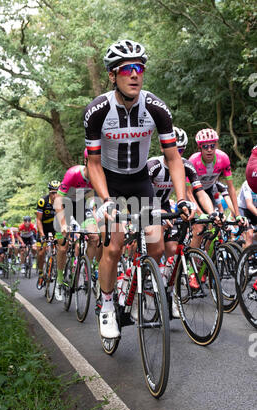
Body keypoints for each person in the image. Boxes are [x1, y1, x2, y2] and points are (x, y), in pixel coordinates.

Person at [84, 39, 191, 339]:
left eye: (140, 68)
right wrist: (105, 200)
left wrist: (182, 200)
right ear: (112, 75)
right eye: (127, 69)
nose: (135, 75)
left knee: (156, 247)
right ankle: (106, 304)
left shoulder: (156, 107)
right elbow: (92, 164)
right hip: (110, 182)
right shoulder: (97, 110)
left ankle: (134, 284)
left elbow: (173, 158)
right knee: (115, 246)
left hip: (141, 182)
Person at [147, 126, 219, 306]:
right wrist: (159, 212)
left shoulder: (186, 165)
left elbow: (200, 192)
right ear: (163, 147)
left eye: (181, 150)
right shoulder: (153, 166)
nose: (177, 153)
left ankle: (171, 294)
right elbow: (144, 194)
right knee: (156, 248)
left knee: (173, 251)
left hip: (165, 206)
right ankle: (146, 280)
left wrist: (213, 213)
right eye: (174, 149)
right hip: (147, 204)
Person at [54, 149, 101, 300]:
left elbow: (96, 201)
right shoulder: (73, 173)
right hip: (66, 206)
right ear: (86, 161)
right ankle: (60, 281)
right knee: (63, 245)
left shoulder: (98, 176)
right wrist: (63, 224)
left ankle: (83, 269)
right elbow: (58, 200)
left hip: (82, 206)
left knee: (94, 237)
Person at [188, 128, 246, 249]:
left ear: (216, 146)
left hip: (208, 192)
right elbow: (187, 192)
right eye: (205, 147)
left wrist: (237, 214)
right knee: (199, 228)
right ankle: (192, 263)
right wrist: (199, 213)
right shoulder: (193, 161)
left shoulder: (223, 158)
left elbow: (230, 188)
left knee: (217, 229)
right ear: (200, 148)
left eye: (212, 146)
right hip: (193, 193)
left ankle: (207, 263)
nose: (209, 149)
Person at [36, 180, 60, 288]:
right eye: (52, 192)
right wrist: (42, 235)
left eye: (57, 192)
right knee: (41, 252)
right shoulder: (42, 201)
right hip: (44, 228)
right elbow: (38, 220)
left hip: (55, 227)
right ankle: (41, 274)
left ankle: (58, 272)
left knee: (61, 248)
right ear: (49, 192)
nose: (55, 195)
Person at [237, 180, 257, 247]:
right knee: (249, 234)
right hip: (243, 209)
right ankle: (246, 257)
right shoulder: (248, 183)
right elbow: (249, 205)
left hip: (255, 209)